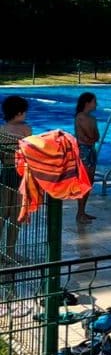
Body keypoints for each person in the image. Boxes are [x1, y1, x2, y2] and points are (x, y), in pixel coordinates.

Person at [0, 96, 32, 262]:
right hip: (20, 175)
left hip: (5, 173)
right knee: (15, 215)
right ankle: (10, 252)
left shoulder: (2, 130)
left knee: (3, 212)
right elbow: (31, 154)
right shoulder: (26, 130)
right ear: (19, 113)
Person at [74, 92, 100, 223]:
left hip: (90, 149)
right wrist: (91, 137)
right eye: (94, 101)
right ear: (87, 103)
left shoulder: (92, 119)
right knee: (84, 181)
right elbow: (90, 135)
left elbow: (96, 137)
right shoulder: (81, 117)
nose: (97, 104)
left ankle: (83, 211)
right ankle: (80, 213)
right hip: (84, 150)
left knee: (90, 182)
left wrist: (91, 137)